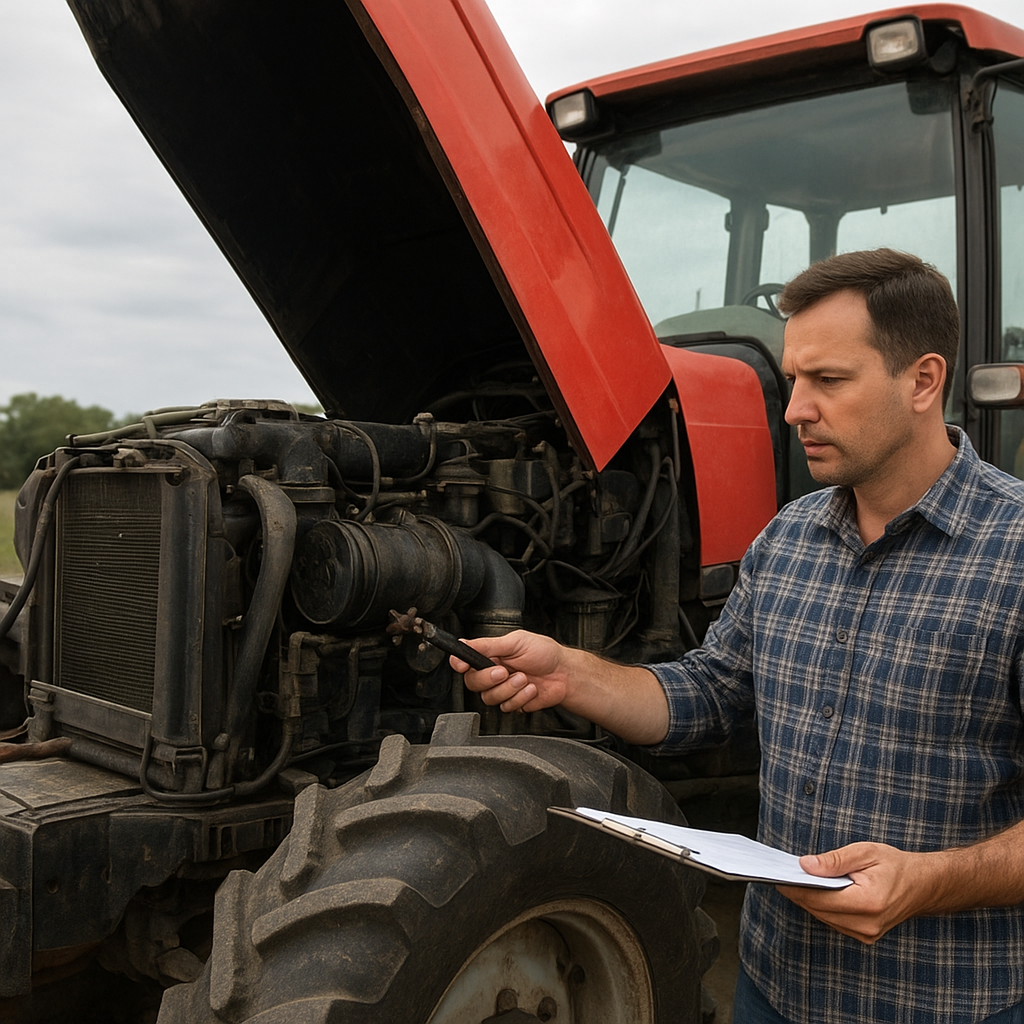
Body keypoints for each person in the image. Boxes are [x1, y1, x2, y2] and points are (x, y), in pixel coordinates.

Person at [451, 249, 1024, 1024]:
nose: (794, 410)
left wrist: (931, 880)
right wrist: (570, 674)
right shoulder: (788, 539)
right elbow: (711, 692)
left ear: (923, 381)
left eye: (829, 381)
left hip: (942, 1002)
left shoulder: (1014, 553)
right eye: (794, 380)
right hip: (771, 986)